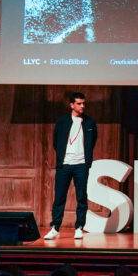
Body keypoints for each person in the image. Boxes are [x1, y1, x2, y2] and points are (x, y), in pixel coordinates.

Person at [44, 91, 98, 240]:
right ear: (72, 105)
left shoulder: (89, 122)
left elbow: (93, 141)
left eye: (83, 103)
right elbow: (56, 142)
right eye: (79, 103)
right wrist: (63, 156)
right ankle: (55, 228)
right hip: (64, 165)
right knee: (59, 197)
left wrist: (86, 159)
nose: (82, 106)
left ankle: (79, 227)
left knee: (81, 197)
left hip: (81, 165)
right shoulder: (62, 122)